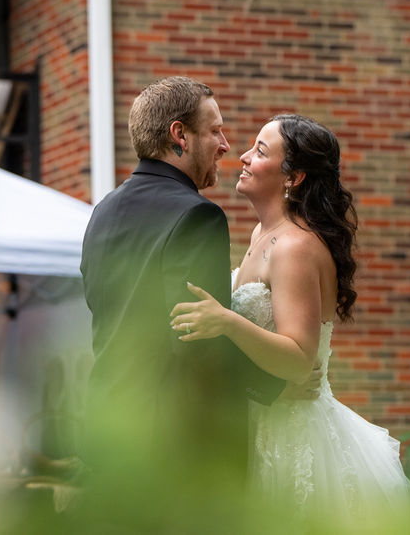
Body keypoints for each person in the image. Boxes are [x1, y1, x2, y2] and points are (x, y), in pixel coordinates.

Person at [170, 114, 410, 532]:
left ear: (294, 177)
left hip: (290, 435)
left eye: (261, 151)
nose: (244, 157)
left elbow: (300, 359)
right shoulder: (261, 236)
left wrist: (227, 321)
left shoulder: (295, 247)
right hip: (254, 418)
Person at [77, 77, 285, 530]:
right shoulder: (198, 216)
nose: (226, 145)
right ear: (179, 135)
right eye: (215, 131)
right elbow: (199, 342)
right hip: (175, 448)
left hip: (110, 432)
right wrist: (277, 385)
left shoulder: (103, 211)